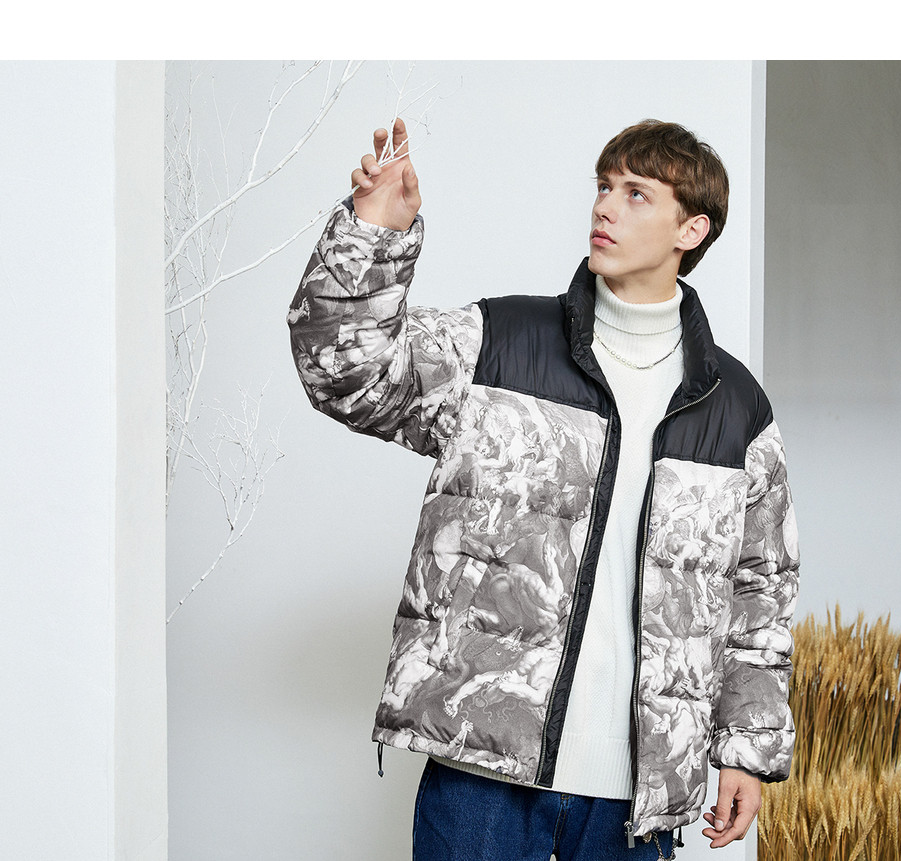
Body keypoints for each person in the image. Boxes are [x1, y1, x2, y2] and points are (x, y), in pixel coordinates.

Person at [287, 117, 799, 860]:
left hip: (636, 798)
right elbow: (345, 371)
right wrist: (373, 234)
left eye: (635, 193)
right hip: (482, 773)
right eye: (603, 186)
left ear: (692, 229)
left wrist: (745, 748)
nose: (605, 206)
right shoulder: (500, 343)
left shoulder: (735, 408)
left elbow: (760, 592)